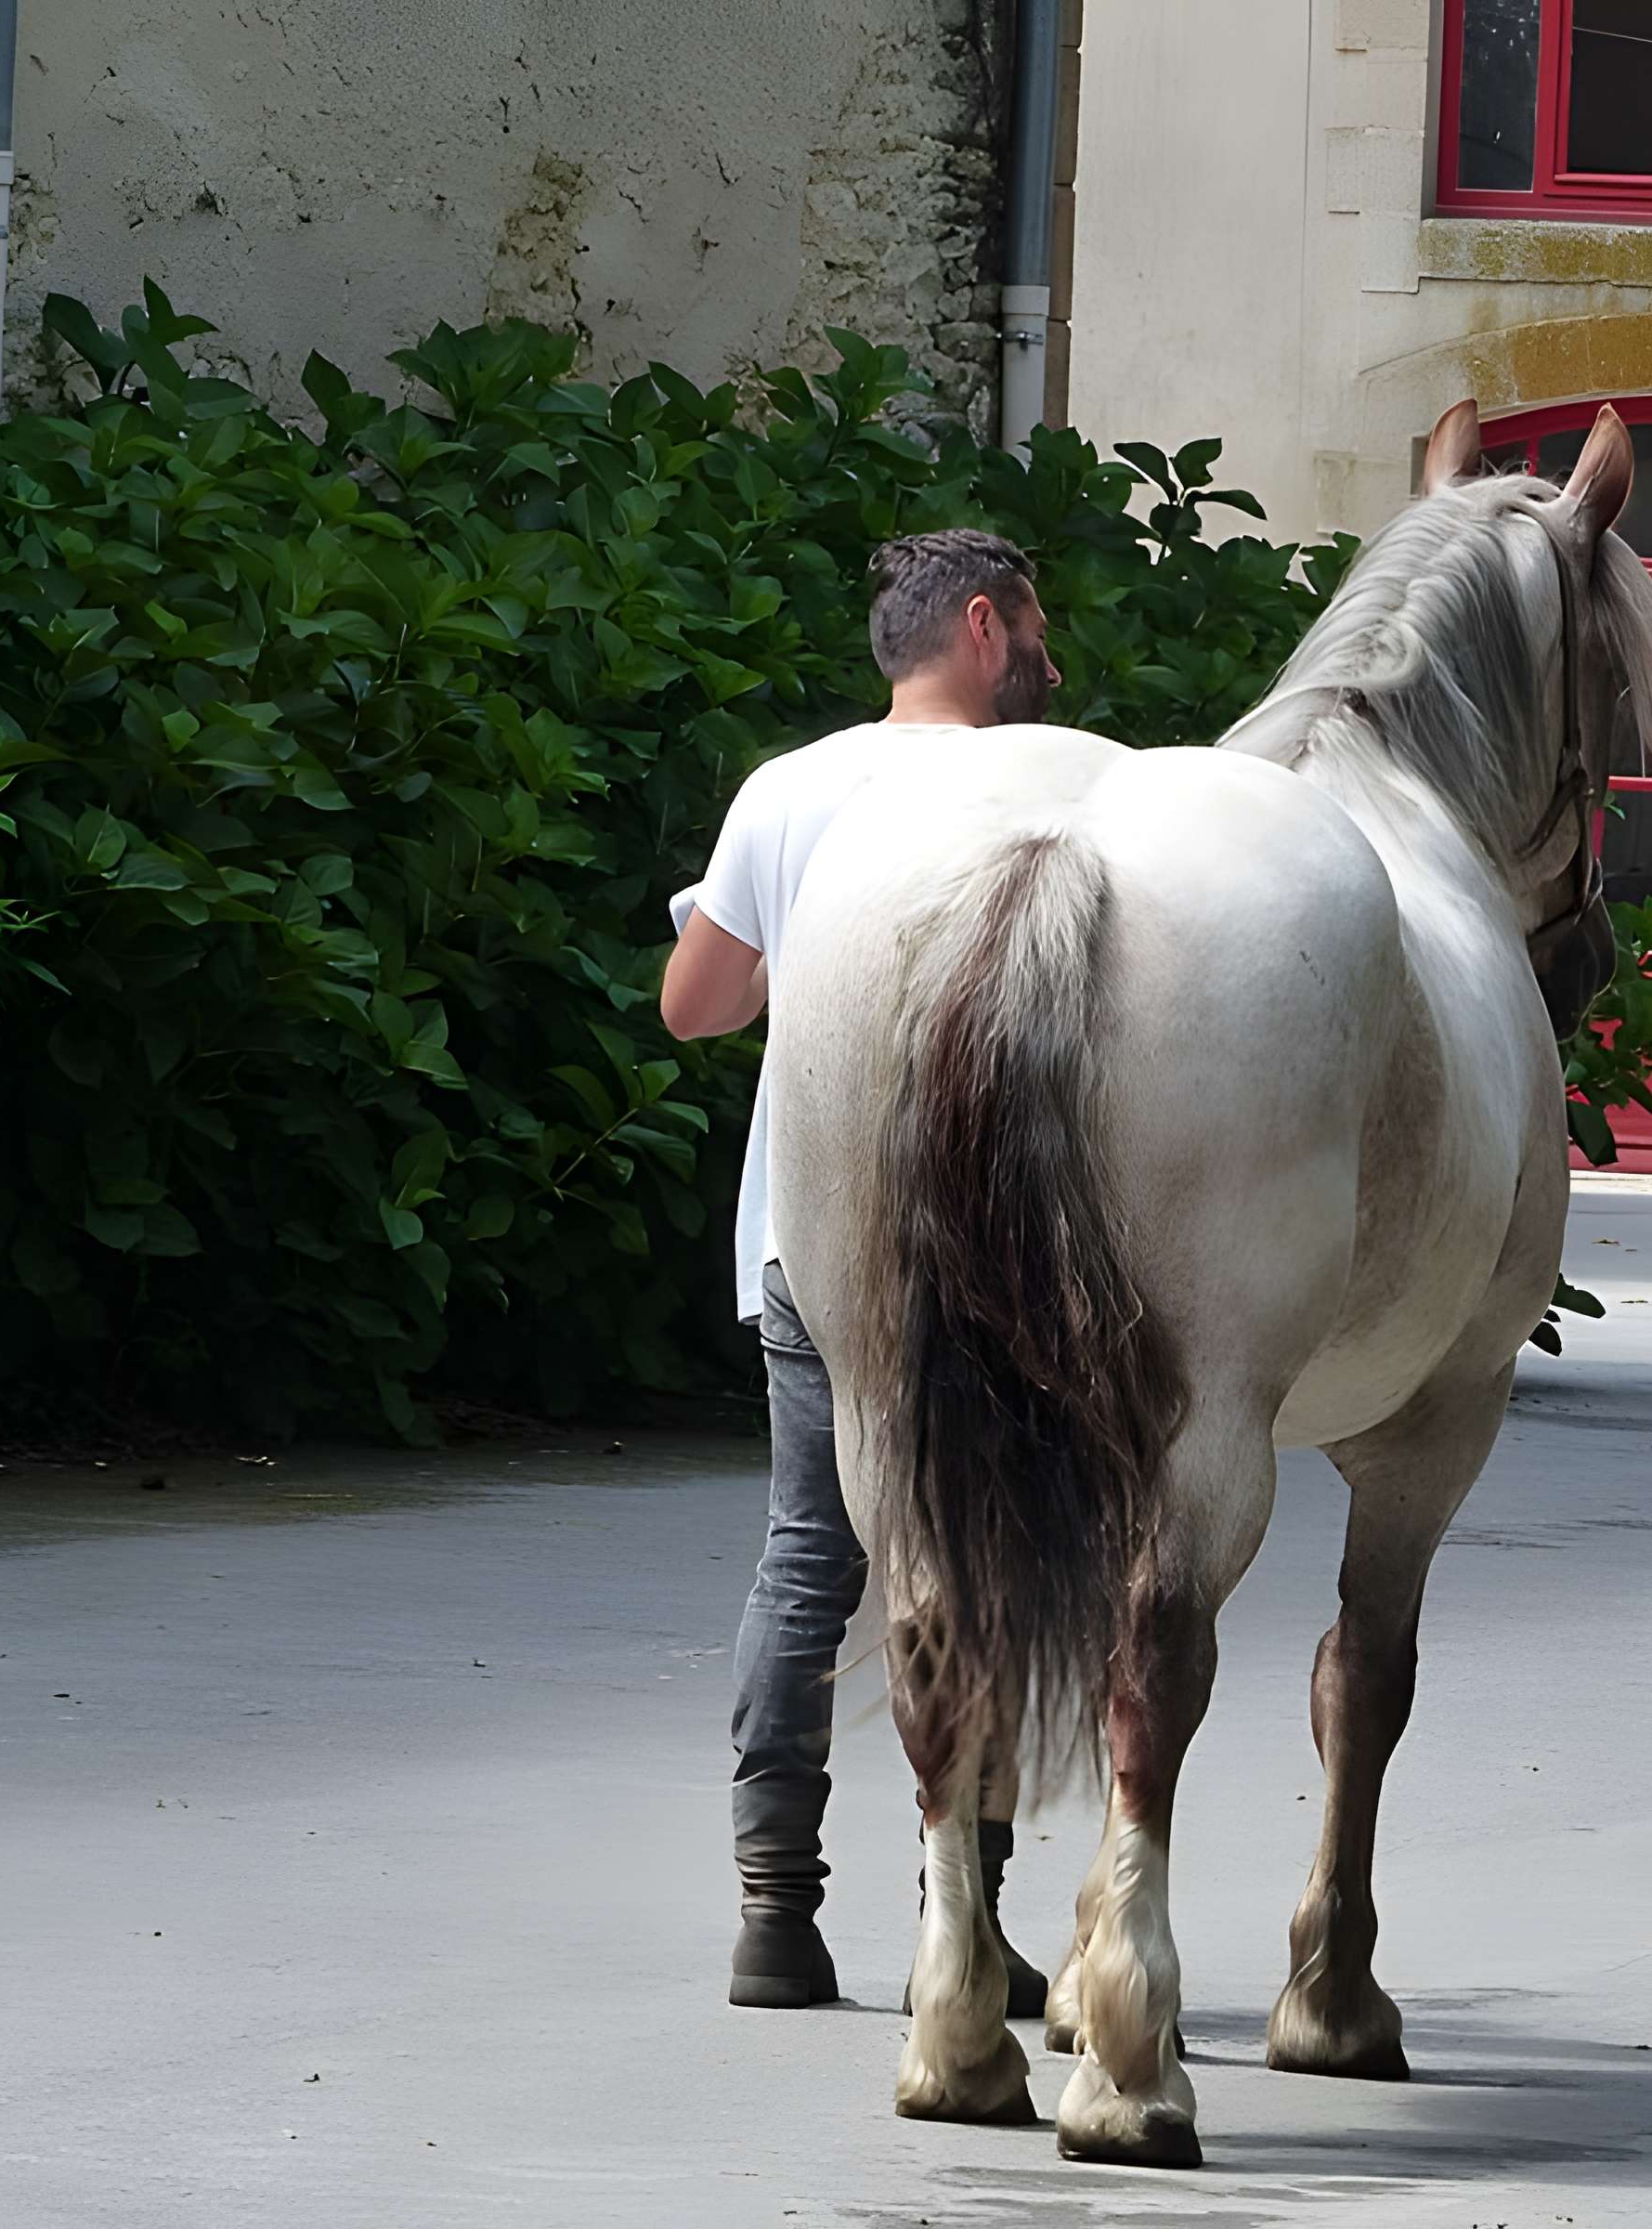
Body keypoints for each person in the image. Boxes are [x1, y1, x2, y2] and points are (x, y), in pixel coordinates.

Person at [662, 527, 1060, 2011]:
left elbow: (695, 1007)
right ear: (981, 628)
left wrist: (794, 950)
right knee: (991, 1565)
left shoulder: (788, 790)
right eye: (1038, 631)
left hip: (814, 1240)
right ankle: (967, 1922)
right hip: (1001, 1242)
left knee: (809, 1559)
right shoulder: (1048, 784)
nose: (1052, 661)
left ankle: (775, 1916)